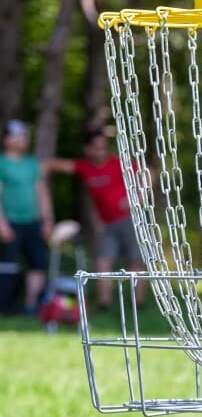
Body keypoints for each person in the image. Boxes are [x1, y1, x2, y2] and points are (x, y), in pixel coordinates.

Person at [46, 130, 145, 308]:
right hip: (107, 223)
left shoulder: (119, 163)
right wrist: (39, 166)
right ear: (88, 149)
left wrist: (136, 199)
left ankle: (138, 303)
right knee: (103, 260)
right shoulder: (85, 167)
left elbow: (148, 174)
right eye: (97, 148)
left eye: (104, 147)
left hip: (131, 219)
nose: (101, 151)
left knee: (135, 260)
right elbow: (58, 165)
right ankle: (104, 303)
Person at [0, 120, 54, 314]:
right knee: (8, 266)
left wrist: (47, 220)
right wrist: (2, 223)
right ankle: (6, 307)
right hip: (10, 222)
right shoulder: (2, 163)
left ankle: (31, 306)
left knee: (38, 264)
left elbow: (42, 193)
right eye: (17, 135)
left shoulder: (32, 164)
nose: (22, 139)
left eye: (24, 135)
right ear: (7, 139)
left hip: (33, 222)